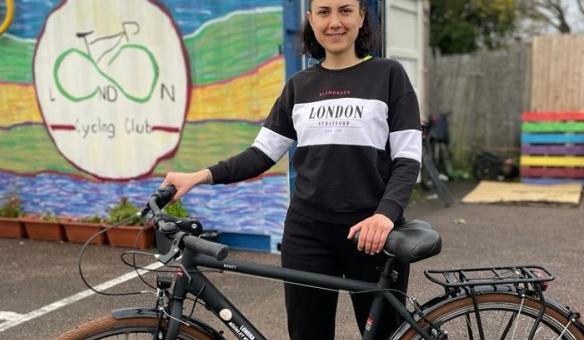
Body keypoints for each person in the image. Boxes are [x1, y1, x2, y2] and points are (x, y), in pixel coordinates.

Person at [161, 0, 422, 338]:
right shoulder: (300, 84)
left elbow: (407, 159)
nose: (335, 22)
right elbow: (261, 154)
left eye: (345, 10)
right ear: (311, 20)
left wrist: (385, 215)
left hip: (372, 232)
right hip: (307, 233)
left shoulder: (388, 75)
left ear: (361, 17)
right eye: (324, 12)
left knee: (388, 335)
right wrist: (200, 175)